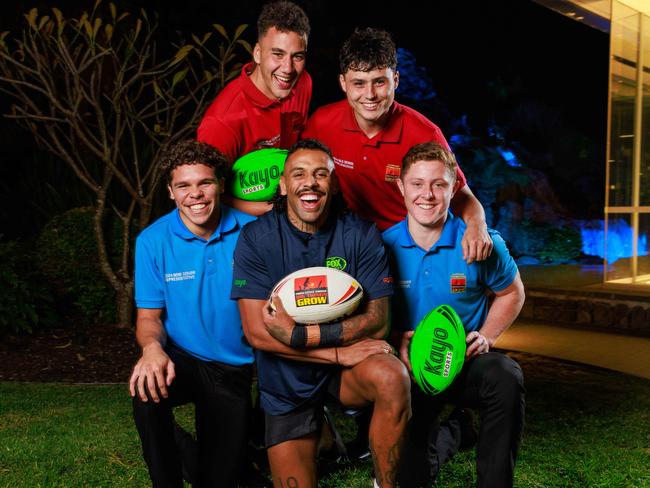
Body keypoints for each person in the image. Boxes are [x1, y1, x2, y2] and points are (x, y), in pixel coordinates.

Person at [231, 138, 411, 488]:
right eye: (298, 174)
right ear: (283, 185)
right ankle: (321, 434)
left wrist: (302, 335)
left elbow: (378, 320)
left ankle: (385, 485)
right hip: (286, 383)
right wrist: (338, 353)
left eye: (320, 174)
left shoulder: (360, 234)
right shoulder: (256, 238)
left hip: (348, 375)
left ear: (334, 182)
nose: (309, 183)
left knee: (393, 377)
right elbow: (256, 332)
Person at [382, 142, 526, 488]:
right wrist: (394, 339)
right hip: (410, 368)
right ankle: (457, 431)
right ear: (401, 187)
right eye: (417, 184)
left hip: (465, 362)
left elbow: (512, 292)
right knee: (412, 475)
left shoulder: (479, 242)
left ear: (453, 188)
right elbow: (371, 311)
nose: (427, 195)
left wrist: (487, 335)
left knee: (506, 375)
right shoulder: (380, 245)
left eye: (439, 184)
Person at [302, 27, 492, 264]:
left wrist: (477, 226)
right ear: (343, 83)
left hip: (407, 245)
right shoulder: (322, 123)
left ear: (396, 80)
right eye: (359, 83)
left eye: (379, 82)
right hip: (346, 242)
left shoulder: (424, 133)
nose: (369, 95)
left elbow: (461, 194)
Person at [129, 140, 256, 488]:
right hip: (184, 359)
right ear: (171, 192)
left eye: (205, 183)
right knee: (146, 390)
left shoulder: (252, 233)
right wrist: (152, 350)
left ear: (220, 186)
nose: (195, 194)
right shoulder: (152, 241)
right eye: (183, 186)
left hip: (234, 369)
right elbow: (149, 317)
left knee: (218, 479)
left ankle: (197, 455)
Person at [197, 0, 311, 216]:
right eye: (277, 54)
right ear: (257, 53)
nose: (288, 68)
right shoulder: (222, 122)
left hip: (291, 211)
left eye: (297, 56)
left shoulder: (303, 83)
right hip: (244, 224)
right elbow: (206, 194)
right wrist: (277, 210)